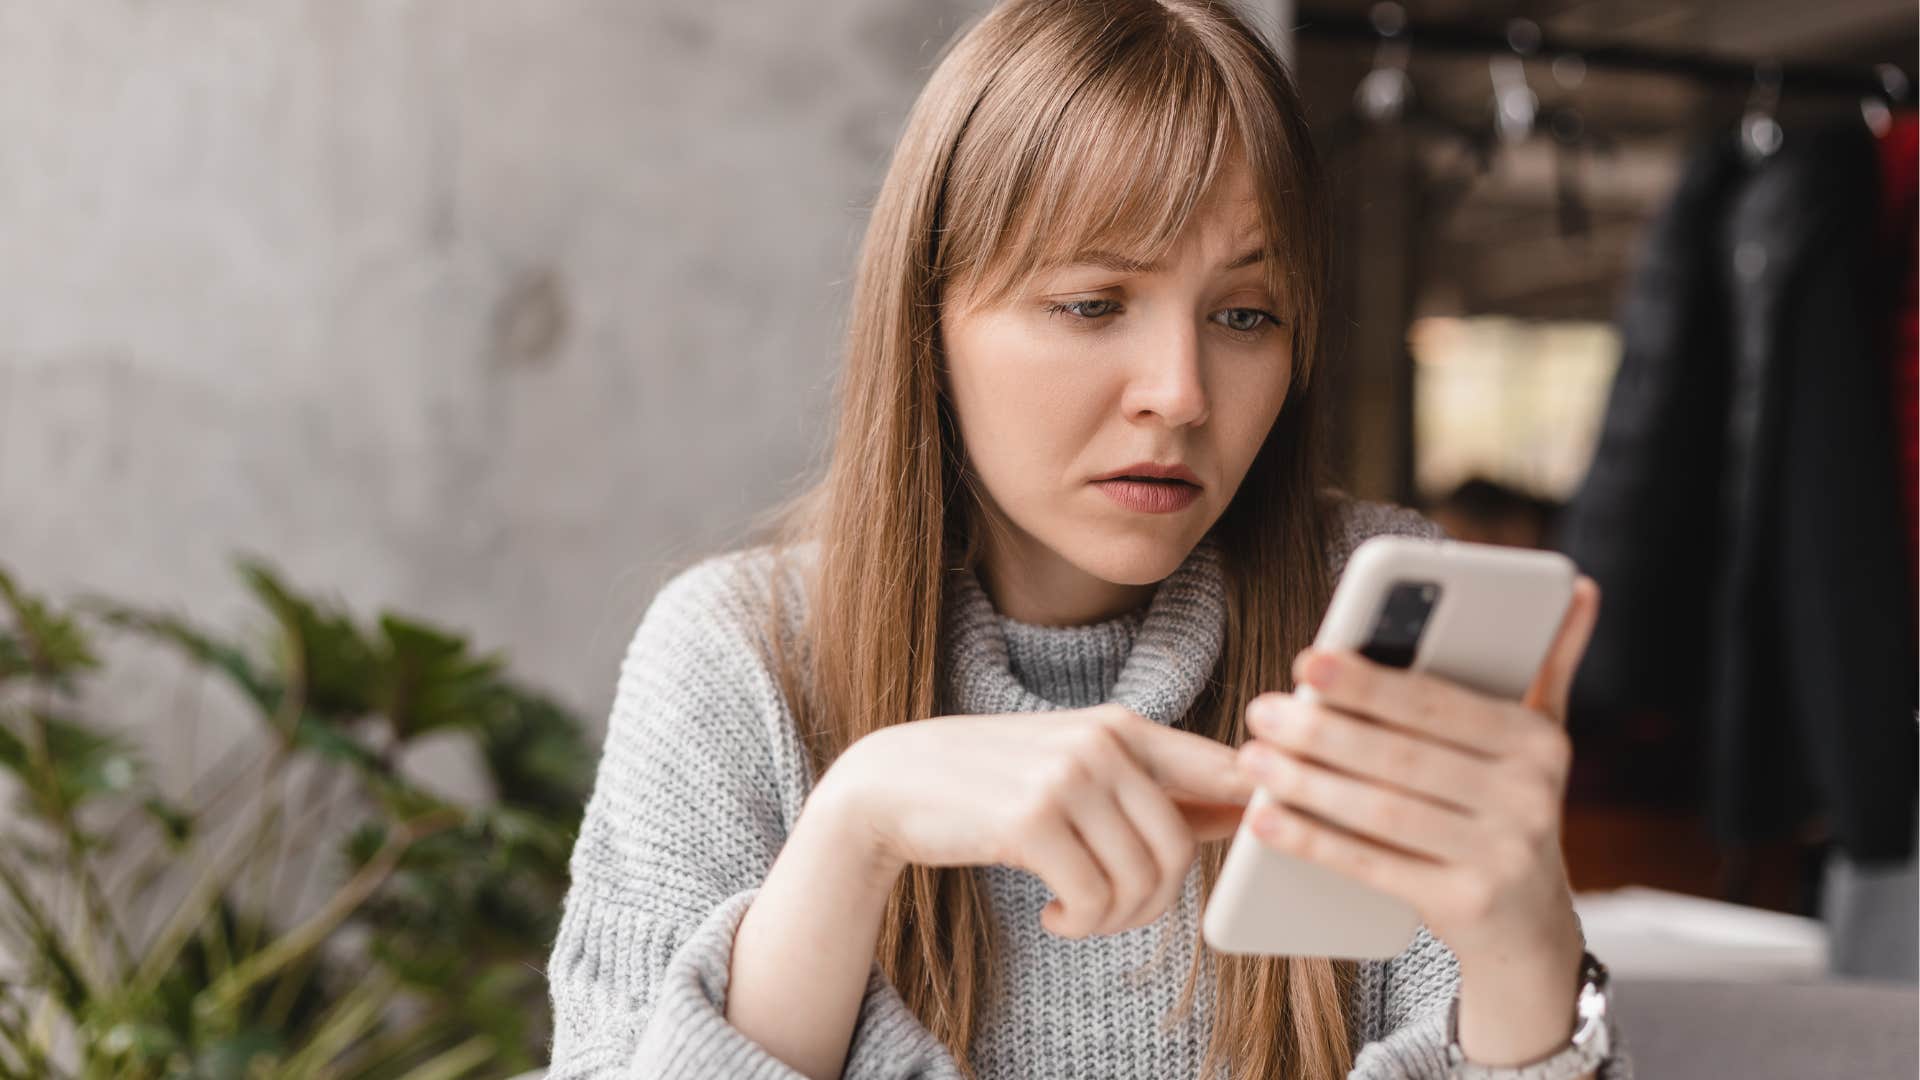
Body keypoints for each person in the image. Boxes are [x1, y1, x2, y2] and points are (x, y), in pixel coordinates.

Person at [544, 1, 1630, 1077]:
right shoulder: (743, 653)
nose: (1180, 395)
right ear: (928, 321)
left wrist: (1522, 937)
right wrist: (855, 828)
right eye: (1092, 303)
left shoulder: (1359, 613)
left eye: (1246, 314)